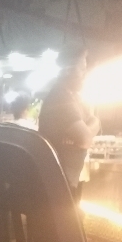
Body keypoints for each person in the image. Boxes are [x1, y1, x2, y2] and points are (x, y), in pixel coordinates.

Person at [38, 51, 100, 198]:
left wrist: (91, 123)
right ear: (67, 70)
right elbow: (85, 139)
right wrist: (95, 123)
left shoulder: (71, 97)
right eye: (82, 68)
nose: (85, 73)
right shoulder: (60, 98)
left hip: (61, 182)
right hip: (56, 184)